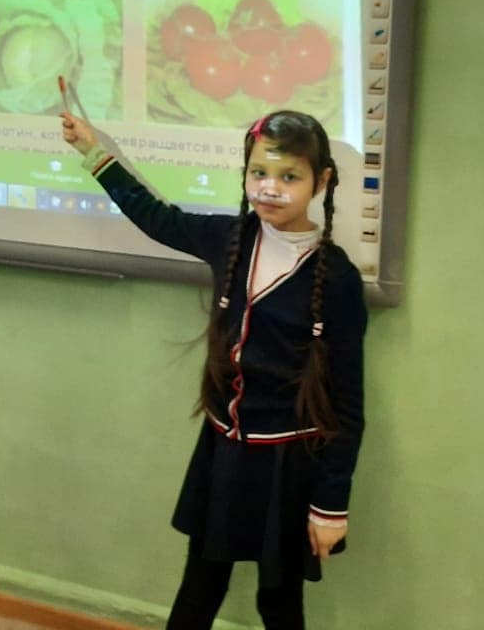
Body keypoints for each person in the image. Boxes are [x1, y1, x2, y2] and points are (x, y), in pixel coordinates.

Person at [60, 109, 367, 630]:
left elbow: (348, 405)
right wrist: (92, 150)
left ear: (322, 181)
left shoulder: (336, 279)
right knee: (200, 589)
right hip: (224, 452)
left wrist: (330, 505)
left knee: (278, 602)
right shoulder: (230, 239)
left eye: (289, 177)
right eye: (258, 173)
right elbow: (155, 216)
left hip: (288, 466)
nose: (270, 188)